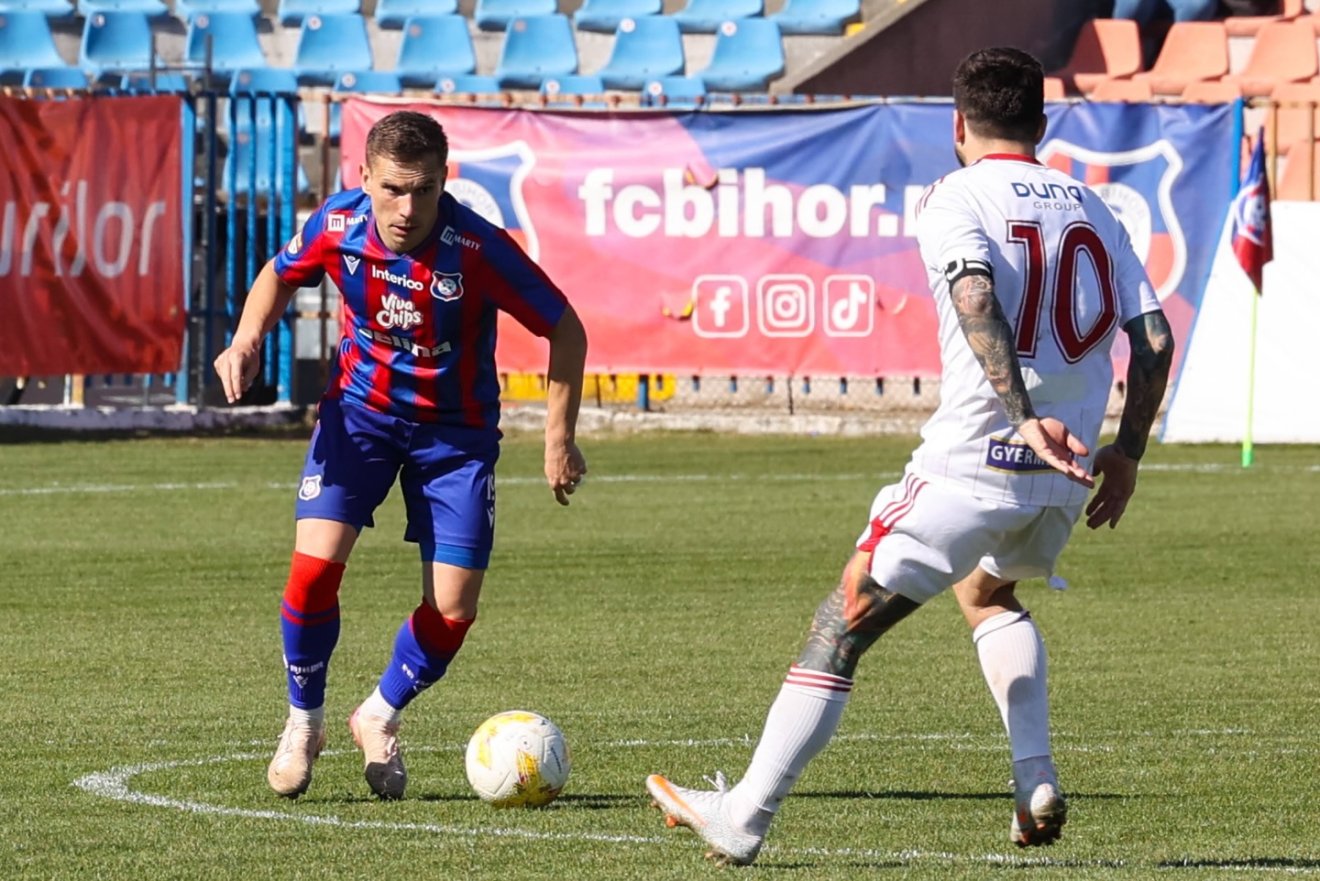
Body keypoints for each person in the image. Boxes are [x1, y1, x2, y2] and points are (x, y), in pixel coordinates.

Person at [645, 46, 1174, 865]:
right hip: (1061, 480)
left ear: (957, 124)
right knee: (988, 590)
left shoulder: (954, 195)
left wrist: (1023, 418)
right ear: (1042, 123)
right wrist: (1129, 452)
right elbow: (1155, 338)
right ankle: (1034, 778)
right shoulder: (1097, 209)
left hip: (974, 462)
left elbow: (975, 296)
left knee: (841, 626)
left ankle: (744, 813)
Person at [213, 110, 588, 801]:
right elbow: (277, 273)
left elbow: (565, 328)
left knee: (453, 610)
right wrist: (245, 340)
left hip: (456, 437)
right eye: (392, 188)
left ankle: (379, 713)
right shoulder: (337, 224)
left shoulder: (478, 248)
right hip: (360, 418)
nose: (407, 208)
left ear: (444, 181)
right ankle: (304, 723)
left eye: (423, 190)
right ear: (364, 177)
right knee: (312, 573)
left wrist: (558, 438)